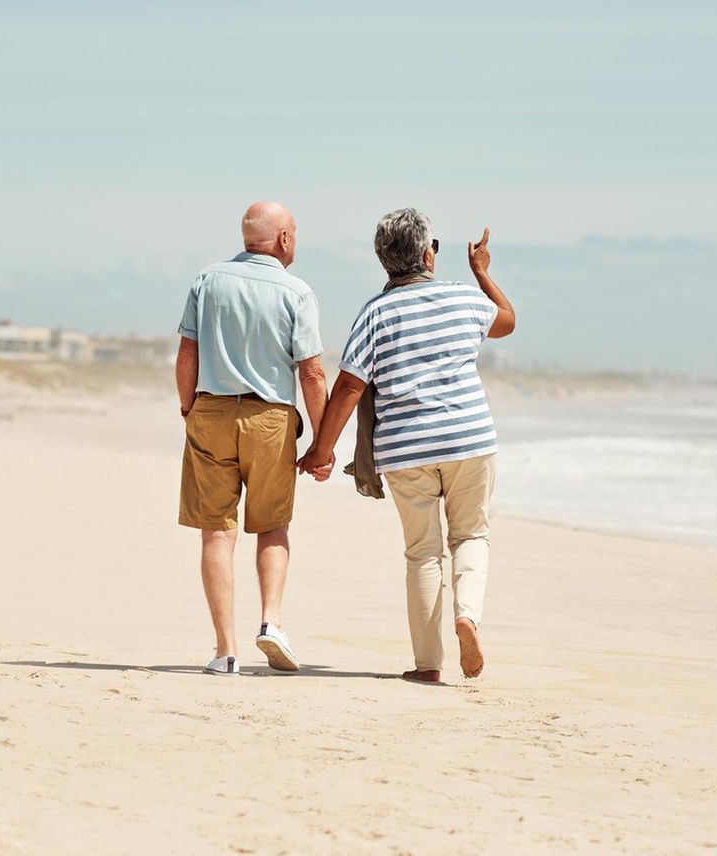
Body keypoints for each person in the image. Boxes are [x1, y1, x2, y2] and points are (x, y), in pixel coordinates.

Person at [300, 208, 515, 682]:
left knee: (422, 552)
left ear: (385, 262)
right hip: (470, 439)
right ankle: (468, 617)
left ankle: (427, 665)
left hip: (405, 450)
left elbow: (350, 387)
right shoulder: (463, 299)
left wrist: (322, 450)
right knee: (471, 536)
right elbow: (506, 321)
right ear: (427, 254)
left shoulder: (375, 313)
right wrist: (482, 273)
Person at [176, 201, 333, 676]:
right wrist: (321, 444)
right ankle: (271, 622)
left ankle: (225, 651)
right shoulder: (296, 291)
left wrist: (190, 408)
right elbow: (312, 371)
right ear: (284, 238)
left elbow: (187, 354)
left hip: (212, 410)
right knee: (271, 526)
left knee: (217, 533)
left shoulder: (207, 280)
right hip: (271, 420)